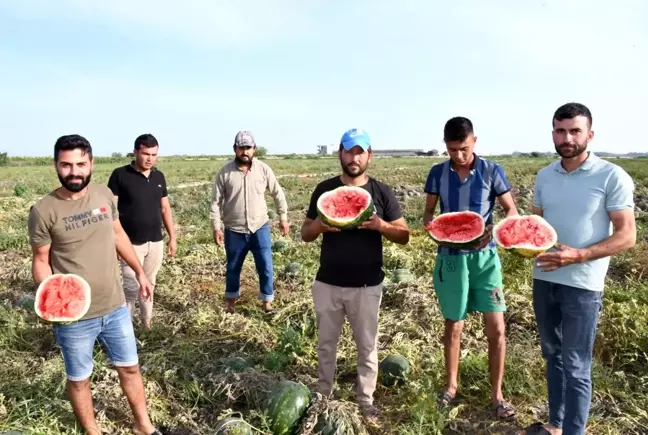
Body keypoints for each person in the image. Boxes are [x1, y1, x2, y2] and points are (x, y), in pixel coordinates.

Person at [27, 134, 165, 435]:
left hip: (115, 306)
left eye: (80, 163)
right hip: (74, 318)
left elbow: (118, 235)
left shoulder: (103, 196)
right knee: (79, 378)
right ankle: (92, 431)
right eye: (66, 165)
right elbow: (40, 259)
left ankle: (143, 425)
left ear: (90, 163)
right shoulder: (44, 210)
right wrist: (50, 297)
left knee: (130, 367)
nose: (74, 171)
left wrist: (140, 272)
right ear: (55, 165)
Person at [524, 103, 636, 435]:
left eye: (575, 130)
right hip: (543, 277)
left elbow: (627, 235)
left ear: (590, 133)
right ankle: (556, 424)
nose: (567, 137)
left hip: (583, 284)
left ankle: (575, 431)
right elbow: (535, 224)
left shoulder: (611, 175)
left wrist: (580, 255)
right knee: (553, 356)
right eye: (560, 130)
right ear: (553, 133)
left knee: (576, 366)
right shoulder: (545, 175)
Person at [300, 128, 410, 424]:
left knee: (367, 346)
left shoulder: (382, 192)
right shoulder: (324, 190)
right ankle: (323, 395)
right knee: (326, 344)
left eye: (360, 152)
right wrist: (321, 227)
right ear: (340, 153)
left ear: (369, 156)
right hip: (328, 283)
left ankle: (365, 401)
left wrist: (380, 226)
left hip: (367, 284)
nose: (354, 158)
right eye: (349, 151)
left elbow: (404, 235)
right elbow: (305, 233)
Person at [423, 117, 519, 420]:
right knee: (454, 324)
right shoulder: (437, 173)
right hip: (451, 259)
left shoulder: (492, 171)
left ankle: (498, 395)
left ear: (474, 141)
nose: (459, 155)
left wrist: (499, 229)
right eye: (452, 150)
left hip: (485, 259)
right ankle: (451, 387)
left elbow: (511, 210)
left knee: (497, 328)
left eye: (464, 148)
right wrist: (432, 227)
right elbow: (428, 212)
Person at [210, 130, 289, 313]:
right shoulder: (225, 173)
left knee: (266, 267)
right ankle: (230, 303)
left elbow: (278, 193)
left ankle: (267, 302)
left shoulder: (263, 169)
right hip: (234, 230)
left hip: (259, 227)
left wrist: (283, 218)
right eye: (241, 148)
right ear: (235, 149)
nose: (244, 151)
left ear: (254, 149)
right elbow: (215, 202)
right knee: (233, 268)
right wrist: (216, 226)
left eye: (248, 148)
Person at [107, 133, 177, 328]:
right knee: (130, 288)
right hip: (129, 243)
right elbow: (111, 210)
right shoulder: (120, 175)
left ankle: (146, 324)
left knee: (149, 283)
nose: (150, 159)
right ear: (135, 152)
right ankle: (126, 329)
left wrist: (172, 237)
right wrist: (113, 242)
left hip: (155, 241)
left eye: (154, 155)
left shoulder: (159, 176)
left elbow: (165, 208)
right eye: (146, 154)